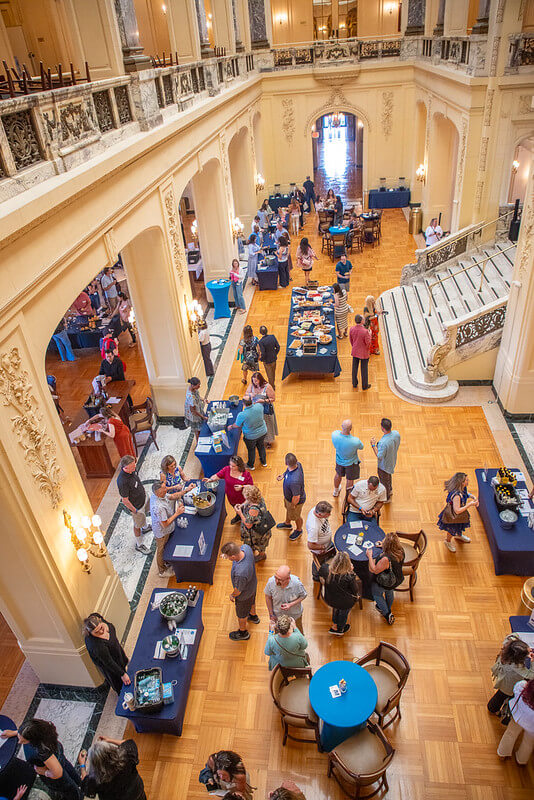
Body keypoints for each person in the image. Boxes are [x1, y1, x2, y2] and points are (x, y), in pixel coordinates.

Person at [1, 720, 81, 800]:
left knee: (69, 788)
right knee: (70, 771)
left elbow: (58, 772)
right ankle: (79, 782)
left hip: (54, 774)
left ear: (33, 739)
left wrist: (43, 772)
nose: (19, 742)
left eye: (23, 741)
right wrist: (14, 733)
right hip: (60, 759)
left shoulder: (41, 751)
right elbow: (26, 731)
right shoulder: (41, 730)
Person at [79, 737, 146, 800]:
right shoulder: (127, 757)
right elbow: (126, 742)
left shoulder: (97, 780)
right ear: (111, 750)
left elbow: (86, 786)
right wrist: (109, 740)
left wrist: (82, 765)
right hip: (137, 792)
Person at [82, 613, 130, 693]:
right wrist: (122, 675)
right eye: (96, 632)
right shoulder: (96, 646)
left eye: (101, 627)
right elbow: (108, 662)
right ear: (89, 632)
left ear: (100, 621)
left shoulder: (96, 618)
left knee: (123, 663)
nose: (101, 631)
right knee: (119, 682)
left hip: (116, 650)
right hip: (108, 664)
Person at [488, 634, 534, 715]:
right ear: (519, 657)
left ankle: (494, 707)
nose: (530, 650)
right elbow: (530, 675)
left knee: (500, 695)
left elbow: (512, 636)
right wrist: (533, 663)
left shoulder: (508, 648)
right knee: (502, 696)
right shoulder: (516, 666)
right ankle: (492, 708)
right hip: (508, 684)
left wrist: (523, 647)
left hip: (504, 675)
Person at [221, 541, 258, 641]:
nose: (228, 559)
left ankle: (243, 633)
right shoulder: (246, 548)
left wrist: (232, 595)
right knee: (252, 601)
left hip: (244, 594)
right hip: (252, 585)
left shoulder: (241, 572)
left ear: (233, 557)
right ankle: (253, 616)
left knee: (241, 614)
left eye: (228, 557)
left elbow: (238, 590)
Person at [366, 532, 405, 625]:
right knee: (389, 591)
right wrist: (383, 546)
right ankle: (388, 607)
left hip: (386, 581)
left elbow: (375, 570)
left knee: (376, 594)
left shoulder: (386, 559)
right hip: (397, 578)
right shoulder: (400, 550)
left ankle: (387, 614)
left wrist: (369, 556)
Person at [318, 551, 360, 635]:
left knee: (336, 608)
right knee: (343, 614)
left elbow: (320, 574)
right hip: (345, 602)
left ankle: (335, 624)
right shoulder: (349, 577)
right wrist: (352, 572)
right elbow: (355, 590)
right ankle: (340, 629)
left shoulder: (326, 569)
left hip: (330, 599)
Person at [116, 455, 151, 554]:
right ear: (125, 468)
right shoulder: (122, 481)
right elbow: (125, 500)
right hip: (137, 506)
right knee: (137, 525)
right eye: (132, 466)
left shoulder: (132, 471)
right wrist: (135, 511)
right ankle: (139, 545)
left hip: (143, 498)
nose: (135, 467)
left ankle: (145, 527)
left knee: (143, 518)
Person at [150, 480, 185, 577]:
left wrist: (185, 491)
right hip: (162, 532)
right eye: (164, 489)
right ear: (158, 493)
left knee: (167, 546)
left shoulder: (159, 495)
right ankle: (162, 571)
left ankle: (168, 561)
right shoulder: (159, 507)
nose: (166, 489)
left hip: (167, 528)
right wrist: (177, 513)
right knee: (161, 550)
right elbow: (165, 524)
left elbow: (172, 496)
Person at [437, 472, 478, 553]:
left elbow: (465, 494)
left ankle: (459, 535)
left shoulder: (462, 488)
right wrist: (470, 504)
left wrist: (471, 496)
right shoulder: (456, 496)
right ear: (461, 483)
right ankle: (448, 541)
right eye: (466, 480)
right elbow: (457, 511)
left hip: (459, 515)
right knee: (452, 530)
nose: (468, 481)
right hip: (453, 516)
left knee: (459, 527)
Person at [497, 678, 534, 764]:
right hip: (532, 727)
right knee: (528, 742)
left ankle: (502, 753)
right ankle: (521, 760)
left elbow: (516, 687)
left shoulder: (522, 687)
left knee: (510, 733)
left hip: (518, 718)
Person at [264, 565, 307, 633]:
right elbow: (268, 597)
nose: (277, 581)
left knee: (298, 634)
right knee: (279, 636)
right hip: (278, 616)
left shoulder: (297, 584)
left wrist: (291, 604)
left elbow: (303, 595)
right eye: (276, 578)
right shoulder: (271, 582)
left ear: (288, 578)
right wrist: (271, 614)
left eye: (280, 580)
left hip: (295, 616)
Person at [236, 484, 273, 562]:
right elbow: (250, 488)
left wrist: (240, 513)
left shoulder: (253, 510)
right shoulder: (259, 498)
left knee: (260, 545)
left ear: (249, 498)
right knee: (254, 545)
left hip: (258, 532)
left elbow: (248, 525)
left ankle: (261, 556)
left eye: (246, 497)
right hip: (259, 526)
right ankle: (252, 550)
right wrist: (243, 505)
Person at [211, 455, 253, 523]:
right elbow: (217, 475)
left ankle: (245, 519)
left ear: (239, 466)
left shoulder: (246, 474)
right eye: (230, 465)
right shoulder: (226, 469)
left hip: (242, 499)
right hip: (231, 497)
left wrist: (242, 486)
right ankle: (238, 516)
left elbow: (251, 486)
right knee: (236, 508)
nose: (231, 467)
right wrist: (210, 479)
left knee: (243, 510)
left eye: (233, 466)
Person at [230, 396, 267, 469]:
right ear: (252, 401)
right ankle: (264, 462)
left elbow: (237, 425)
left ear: (243, 404)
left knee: (251, 450)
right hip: (262, 432)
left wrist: (231, 426)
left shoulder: (242, 414)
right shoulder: (259, 406)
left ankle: (251, 465)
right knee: (261, 446)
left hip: (251, 436)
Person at [276, 453, 306, 541]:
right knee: (289, 511)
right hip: (289, 498)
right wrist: (283, 475)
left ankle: (299, 530)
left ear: (286, 463)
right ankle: (287, 523)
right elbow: (288, 470)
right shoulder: (298, 465)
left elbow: (296, 497)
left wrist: (293, 505)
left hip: (295, 502)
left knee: (296, 516)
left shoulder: (294, 481)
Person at [371, 418, 401, 501]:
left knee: (384, 481)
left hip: (384, 465)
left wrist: (373, 445)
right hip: (392, 460)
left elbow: (379, 456)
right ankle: (390, 490)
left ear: (382, 428)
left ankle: (387, 497)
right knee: (388, 477)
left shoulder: (383, 443)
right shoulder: (396, 434)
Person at [332, 419, 364, 497]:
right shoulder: (355, 441)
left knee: (338, 475)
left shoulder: (334, 435)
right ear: (351, 429)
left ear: (342, 426)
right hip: (351, 463)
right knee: (350, 479)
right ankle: (348, 496)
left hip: (339, 461)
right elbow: (361, 447)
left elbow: (336, 432)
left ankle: (336, 491)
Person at [245, 371, 278, 446]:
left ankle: (268, 440)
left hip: (265, 410)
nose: (255, 382)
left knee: (267, 425)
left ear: (260, 379)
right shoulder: (252, 385)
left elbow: (273, 399)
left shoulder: (267, 387)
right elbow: (246, 394)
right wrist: (251, 395)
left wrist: (263, 401)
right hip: (255, 410)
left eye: (256, 381)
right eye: (253, 381)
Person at [306, 501, 335, 579]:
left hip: (328, 545)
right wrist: (322, 548)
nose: (329, 515)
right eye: (327, 515)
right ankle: (316, 576)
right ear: (319, 515)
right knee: (318, 563)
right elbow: (310, 545)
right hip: (321, 550)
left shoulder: (316, 509)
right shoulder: (313, 527)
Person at [349, 314, 371, 390]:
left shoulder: (352, 329)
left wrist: (354, 346)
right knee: (364, 369)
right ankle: (364, 385)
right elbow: (368, 343)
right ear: (361, 321)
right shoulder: (365, 331)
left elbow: (351, 340)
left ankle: (354, 383)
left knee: (354, 368)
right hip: (364, 352)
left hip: (355, 350)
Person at [184, 376, 207, 441]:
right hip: (194, 414)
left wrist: (204, 400)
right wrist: (202, 417)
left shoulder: (192, 389)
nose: (199, 387)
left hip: (196, 409)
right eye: (198, 386)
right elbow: (193, 411)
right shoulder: (191, 397)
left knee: (200, 427)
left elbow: (198, 396)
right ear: (193, 385)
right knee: (197, 430)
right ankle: (198, 442)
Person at [258, 325, 280, 390]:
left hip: (267, 361)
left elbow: (263, 353)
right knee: (273, 373)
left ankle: (272, 388)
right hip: (273, 358)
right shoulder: (272, 337)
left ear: (260, 332)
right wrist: (275, 354)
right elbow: (278, 347)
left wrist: (261, 359)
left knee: (270, 375)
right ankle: (272, 385)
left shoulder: (261, 342)